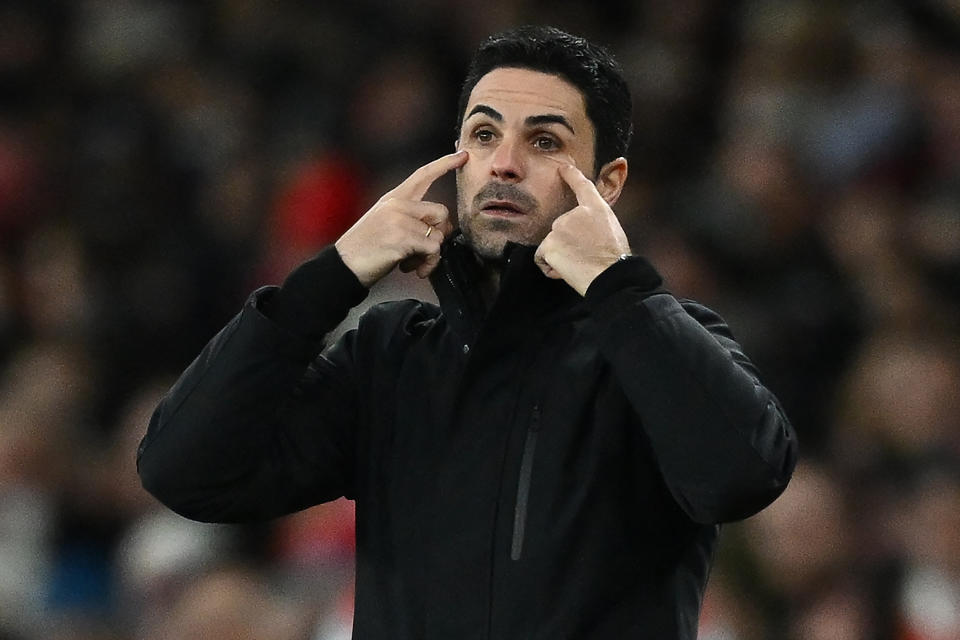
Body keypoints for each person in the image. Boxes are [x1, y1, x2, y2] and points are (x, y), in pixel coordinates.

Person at [138, 25, 797, 639]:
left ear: (607, 183)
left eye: (544, 142)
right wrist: (329, 279)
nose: (503, 163)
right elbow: (186, 471)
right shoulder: (391, 354)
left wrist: (618, 286)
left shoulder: (659, 347)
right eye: (484, 136)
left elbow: (740, 477)